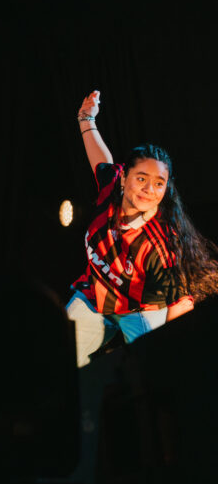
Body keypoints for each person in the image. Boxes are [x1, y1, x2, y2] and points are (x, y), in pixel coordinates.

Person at [67, 90, 218, 367]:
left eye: (159, 183)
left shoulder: (159, 245)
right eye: (141, 178)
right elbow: (101, 160)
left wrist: (159, 353)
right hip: (96, 296)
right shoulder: (111, 188)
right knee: (56, 352)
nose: (149, 189)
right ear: (124, 178)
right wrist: (86, 119)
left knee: (148, 372)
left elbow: (181, 305)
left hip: (140, 311)